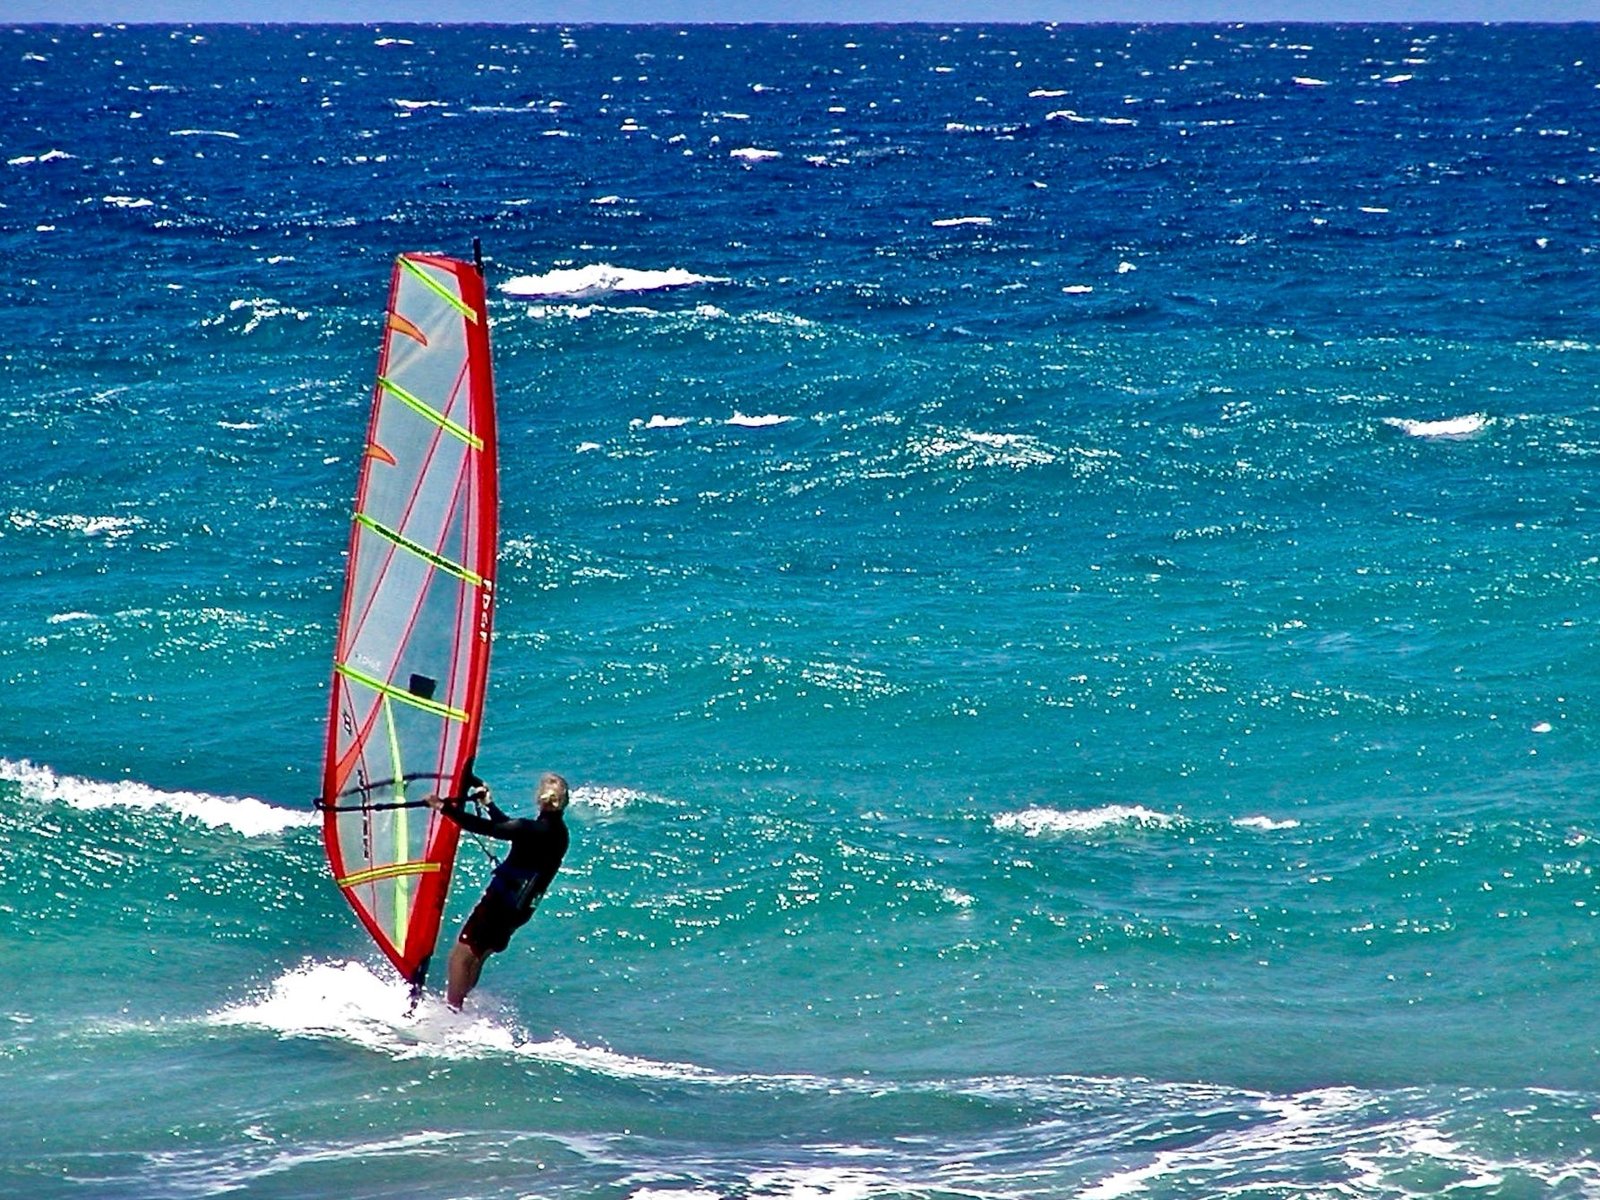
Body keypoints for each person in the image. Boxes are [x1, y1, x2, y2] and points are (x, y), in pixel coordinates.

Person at [425, 771, 571, 1011]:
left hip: (500, 904)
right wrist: (489, 805)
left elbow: (492, 828)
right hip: (521, 908)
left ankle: (452, 1010)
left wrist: (443, 808)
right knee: (477, 955)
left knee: (460, 956)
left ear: (540, 798)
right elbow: (510, 829)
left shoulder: (533, 829)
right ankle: (458, 1008)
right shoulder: (558, 833)